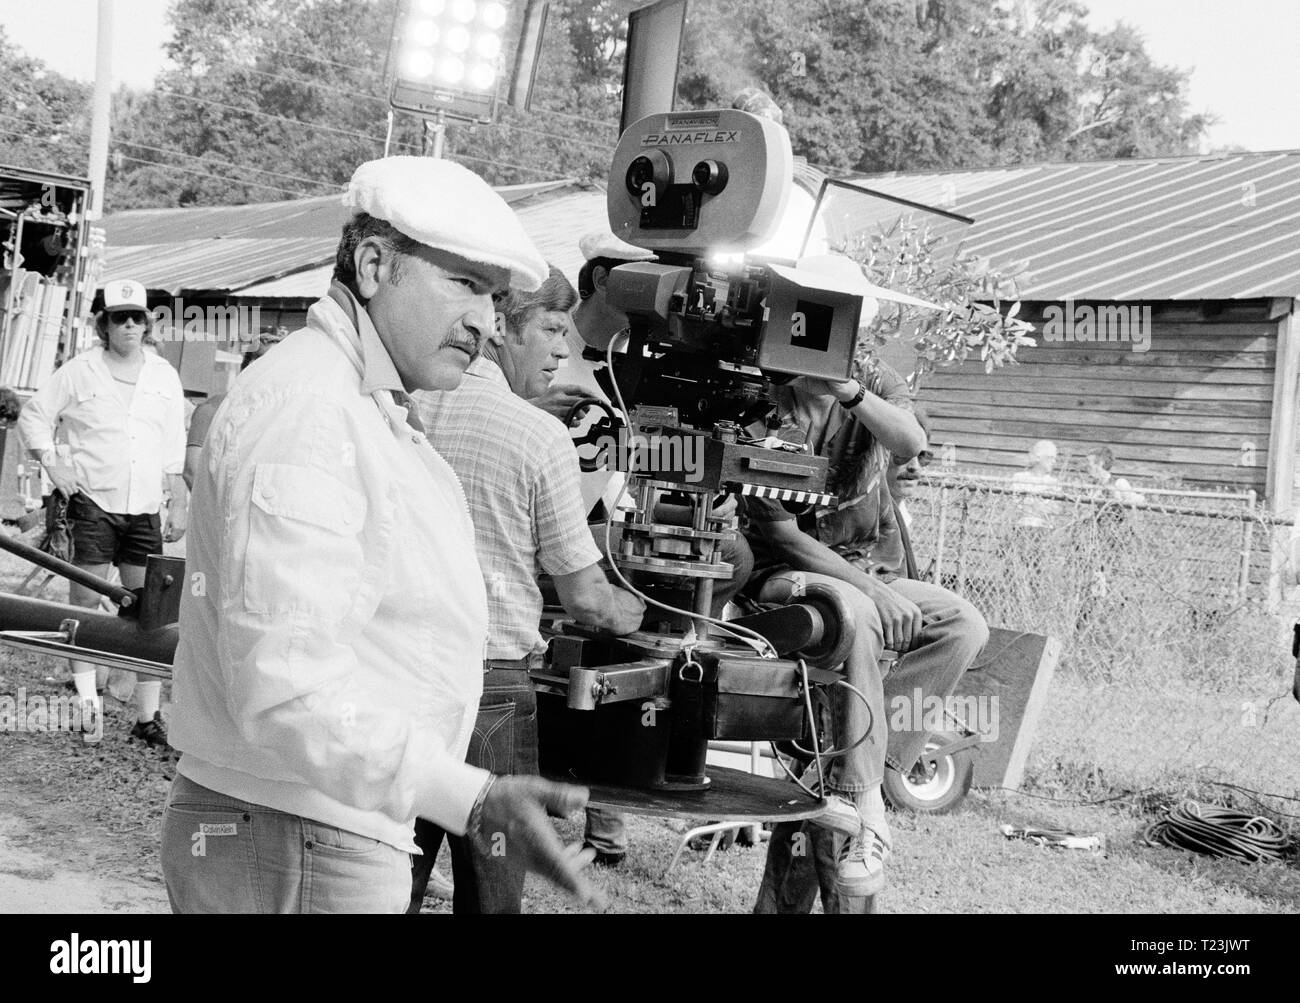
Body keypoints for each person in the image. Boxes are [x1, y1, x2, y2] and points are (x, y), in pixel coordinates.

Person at [160, 157, 600, 914]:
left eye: (495, 298)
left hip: (313, 825)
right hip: (295, 829)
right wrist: (466, 793)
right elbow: (289, 684)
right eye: (464, 284)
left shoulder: (362, 403)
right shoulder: (314, 410)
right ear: (373, 264)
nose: (486, 321)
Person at [742, 264, 988, 899]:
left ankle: (853, 768)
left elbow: (910, 441)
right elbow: (783, 536)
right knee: (854, 610)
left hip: (868, 572)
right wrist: (872, 590)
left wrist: (848, 390)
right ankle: (860, 797)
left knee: (962, 624)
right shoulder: (760, 397)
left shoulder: (868, 381)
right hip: (788, 579)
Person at [410, 265, 646, 913]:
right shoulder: (542, 437)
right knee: (493, 894)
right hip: (494, 689)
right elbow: (589, 600)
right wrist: (654, 612)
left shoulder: (407, 403)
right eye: (549, 328)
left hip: (404, 677)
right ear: (500, 330)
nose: (564, 350)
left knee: (389, 877)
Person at [18, 278, 187, 749]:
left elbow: (174, 440)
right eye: (119, 318)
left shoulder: (163, 376)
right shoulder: (79, 371)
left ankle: (147, 718)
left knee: (151, 613)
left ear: (147, 323)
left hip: (144, 510)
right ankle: (88, 707)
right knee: (86, 605)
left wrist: (178, 492)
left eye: (137, 317)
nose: (129, 325)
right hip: (93, 504)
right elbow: (35, 414)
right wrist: (53, 463)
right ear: (104, 324)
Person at [181, 327, 285, 489]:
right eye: (263, 360)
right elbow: (192, 472)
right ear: (249, 365)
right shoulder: (214, 409)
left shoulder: (281, 417)